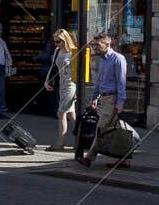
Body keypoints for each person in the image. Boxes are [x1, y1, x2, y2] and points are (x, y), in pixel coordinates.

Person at [80, 31, 128, 168]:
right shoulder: (103, 60)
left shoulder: (118, 59)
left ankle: (89, 158)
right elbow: (99, 81)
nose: (95, 47)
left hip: (112, 99)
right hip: (104, 99)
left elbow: (121, 82)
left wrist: (120, 102)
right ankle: (124, 159)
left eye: (97, 45)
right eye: (94, 44)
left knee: (101, 129)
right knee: (116, 131)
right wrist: (94, 98)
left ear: (107, 44)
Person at [44, 28, 77, 151]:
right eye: (55, 41)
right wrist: (47, 81)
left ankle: (60, 142)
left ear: (65, 40)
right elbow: (53, 67)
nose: (56, 44)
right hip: (62, 85)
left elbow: (79, 72)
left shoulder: (74, 52)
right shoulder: (58, 51)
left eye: (58, 41)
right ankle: (82, 139)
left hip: (71, 85)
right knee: (71, 114)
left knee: (61, 113)